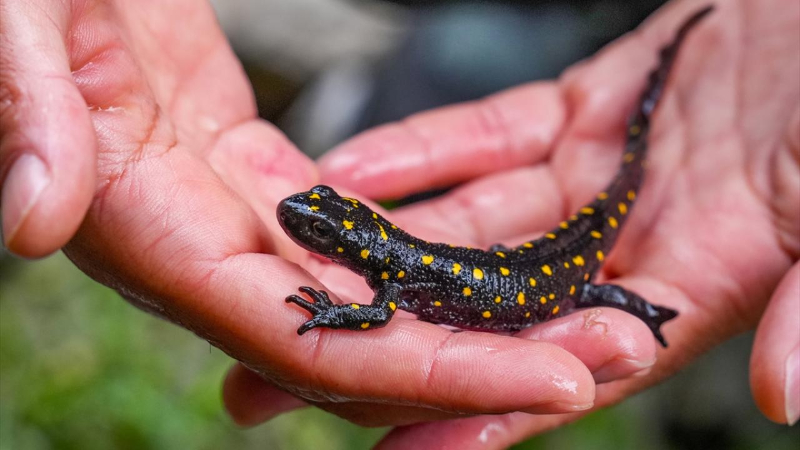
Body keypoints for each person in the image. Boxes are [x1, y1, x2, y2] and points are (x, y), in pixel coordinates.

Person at [1, 0, 797, 448]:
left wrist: (332, 311)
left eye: (319, 233)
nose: (305, 231)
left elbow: (375, 311)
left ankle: (644, 308)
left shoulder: (386, 275)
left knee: (603, 293)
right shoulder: (390, 259)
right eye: (314, 230)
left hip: (554, 275)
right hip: (521, 266)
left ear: (352, 237)